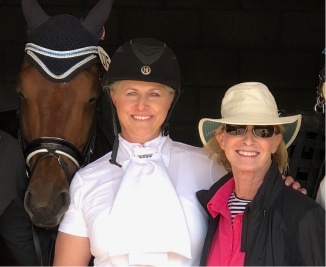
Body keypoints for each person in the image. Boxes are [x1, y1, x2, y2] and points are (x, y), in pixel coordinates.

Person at [53, 38, 306, 266]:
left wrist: (283, 191)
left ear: (171, 101)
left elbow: (255, 200)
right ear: (114, 98)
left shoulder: (209, 167)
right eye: (131, 93)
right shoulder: (87, 180)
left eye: (155, 94)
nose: (142, 105)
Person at [196, 82, 325, 266]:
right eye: (236, 129)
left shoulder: (303, 215)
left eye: (262, 131)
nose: (248, 140)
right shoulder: (208, 211)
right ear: (222, 139)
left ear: (275, 142)